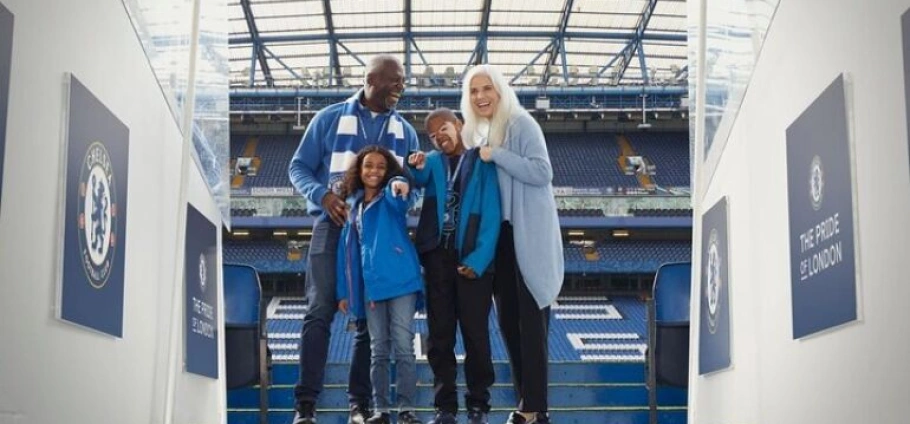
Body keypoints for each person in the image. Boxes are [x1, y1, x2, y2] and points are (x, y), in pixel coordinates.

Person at [288, 55, 419, 424]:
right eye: (395, 81)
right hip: (333, 226)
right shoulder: (330, 117)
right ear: (371, 79)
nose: (401, 88)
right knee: (318, 312)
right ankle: (305, 407)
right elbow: (297, 167)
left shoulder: (406, 131)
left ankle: (359, 406)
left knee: (366, 319)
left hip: (377, 233)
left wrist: (404, 196)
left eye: (403, 82)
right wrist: (323, 195)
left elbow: (412, 185)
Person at [460, 64, 564, 424]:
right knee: (508, 323)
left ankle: (533, 408)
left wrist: (497, 154)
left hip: (527, 237)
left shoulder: (521, 123)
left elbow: (542, 171)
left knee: (531, 326)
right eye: (473, 91)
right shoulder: (480, 133)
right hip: (500, 240)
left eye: (487, 88)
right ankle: (530, 405)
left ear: (501, 91)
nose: (480, 96)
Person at [406, 108, 501, 424]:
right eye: (432, 135)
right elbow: (416, 178)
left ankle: (478, 405)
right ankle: (444, 407)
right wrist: (412, 162)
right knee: (440, 336)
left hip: (472, 257)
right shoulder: (433, 162)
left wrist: (479, 260)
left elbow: (491, 214)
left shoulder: (483, 162)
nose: (439, 137)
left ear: (459, 125)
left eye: (443, 129)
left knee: (476, 335)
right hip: (437, 257)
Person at [336, 146, 424, 424]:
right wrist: (343, 291)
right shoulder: (354, 209)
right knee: (378, 350)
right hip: (372, 287)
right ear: (359, 171)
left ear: (388, 172)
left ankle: (407, 409)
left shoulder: (391, 197)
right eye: (368, 166)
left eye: (380, 167)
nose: (374, 171)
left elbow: (402, 197)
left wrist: (400, 184)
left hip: (401, 281)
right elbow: (346, 255)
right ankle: (381, 410)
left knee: (403, 345)